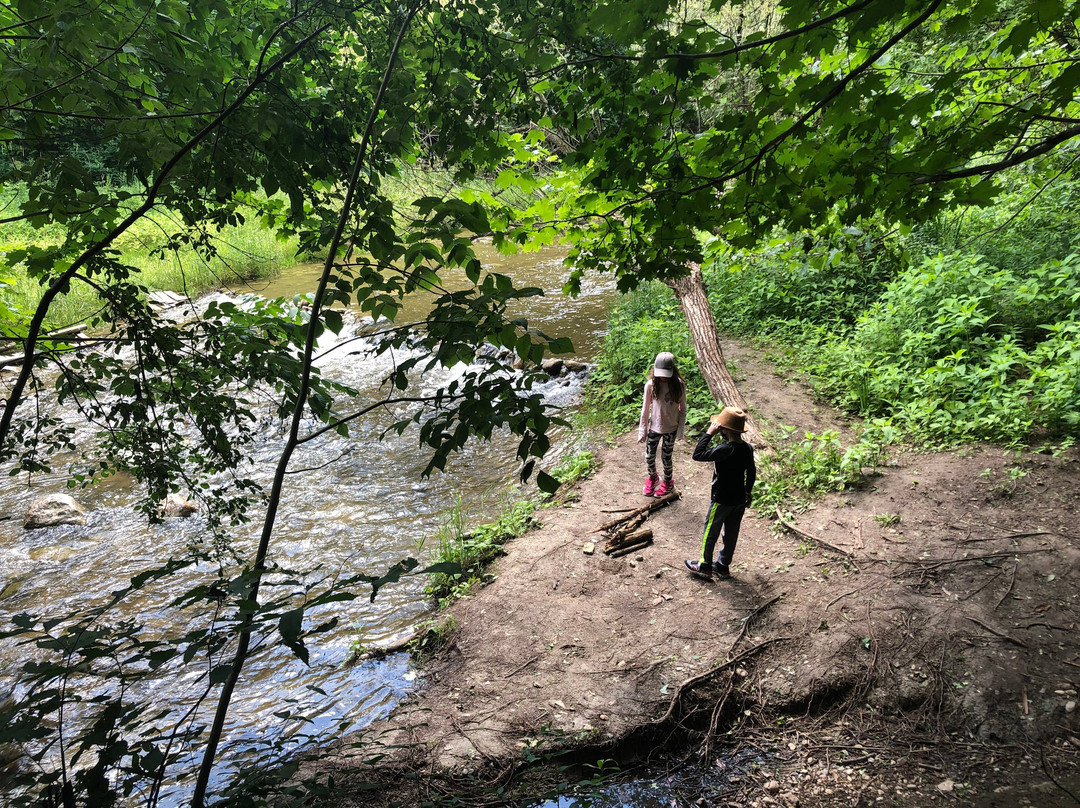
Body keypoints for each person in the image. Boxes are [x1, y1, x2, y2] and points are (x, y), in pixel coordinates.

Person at [685, 406, 756, 580]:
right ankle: (723, 566)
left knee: (710, 532)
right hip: (739, 500)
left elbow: (697, 454)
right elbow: (751, 472)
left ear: (724, 429)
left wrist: (709, 433)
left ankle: (704, 565)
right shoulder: (747, 448)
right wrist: (747, 491)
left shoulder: (724, 449)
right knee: (731, 533)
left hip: (721, 500)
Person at [637, 352, 686, 497]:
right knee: (649, 456)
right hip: (655, 427)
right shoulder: (651, 385)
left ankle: (668, 481)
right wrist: (642, 431)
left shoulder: (679, 385)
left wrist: (680, 431)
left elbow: (683, 410)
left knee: (666, 457)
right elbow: (645, 410)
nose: (663, 377)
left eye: (666, 374)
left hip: (671, 428)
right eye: (660, 374)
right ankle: (653, 478)